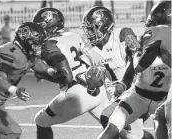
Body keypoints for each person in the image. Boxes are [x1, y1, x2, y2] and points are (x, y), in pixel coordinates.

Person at [32, 7, 144, 139]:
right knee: (119, 130)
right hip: (103, 91)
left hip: (129, 91)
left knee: (131, 133)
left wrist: (124, 82)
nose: (89, 32)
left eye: (92, 28)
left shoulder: (121, 36)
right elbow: (90, 63)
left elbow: (136, 62)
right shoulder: (78, 39)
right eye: (88, 28)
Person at [96, 1, 171, 139]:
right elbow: (133, 67)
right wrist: (124, 83)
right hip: (138, 95)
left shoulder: (156, 34)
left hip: (164, 99)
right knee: (110, 121)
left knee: (161, 127)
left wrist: (137, 51)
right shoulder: (149, 39)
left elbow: (139, 65)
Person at [0, 22, 56, 139]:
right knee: (13, 132)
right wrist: (15, 90)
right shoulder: (11, 51)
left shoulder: (27, 53)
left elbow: (38, 64)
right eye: (35, 41)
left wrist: (53, 72)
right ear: (24, 38)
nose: (38, 45)